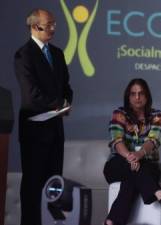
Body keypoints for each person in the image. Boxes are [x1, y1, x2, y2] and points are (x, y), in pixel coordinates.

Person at [14, 9, 73, 225]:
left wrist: (67, 102)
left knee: (53, 185)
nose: (52, 29)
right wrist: (59, 104)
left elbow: (66, 85)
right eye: (48, 25)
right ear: (34, 26)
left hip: (56, 130)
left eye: (54, 24)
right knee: (32, 186)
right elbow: (31, 95)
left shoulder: (57, 53)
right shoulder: (24, 55)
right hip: (34, 132)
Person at [103, 78, 161, 225]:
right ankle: (160, 194)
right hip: (119, 164)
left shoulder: (157, 115)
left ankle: (110, 222)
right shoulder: (119, 113)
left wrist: (138, 155)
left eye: (141, 93)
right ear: (128, 97)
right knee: (132, 169)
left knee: (130, 181)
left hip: (147, 164)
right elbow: (117, 141)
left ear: (147, 96)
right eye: (133, 94)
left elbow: (153, 141)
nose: (137, 97)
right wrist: (129, 156)